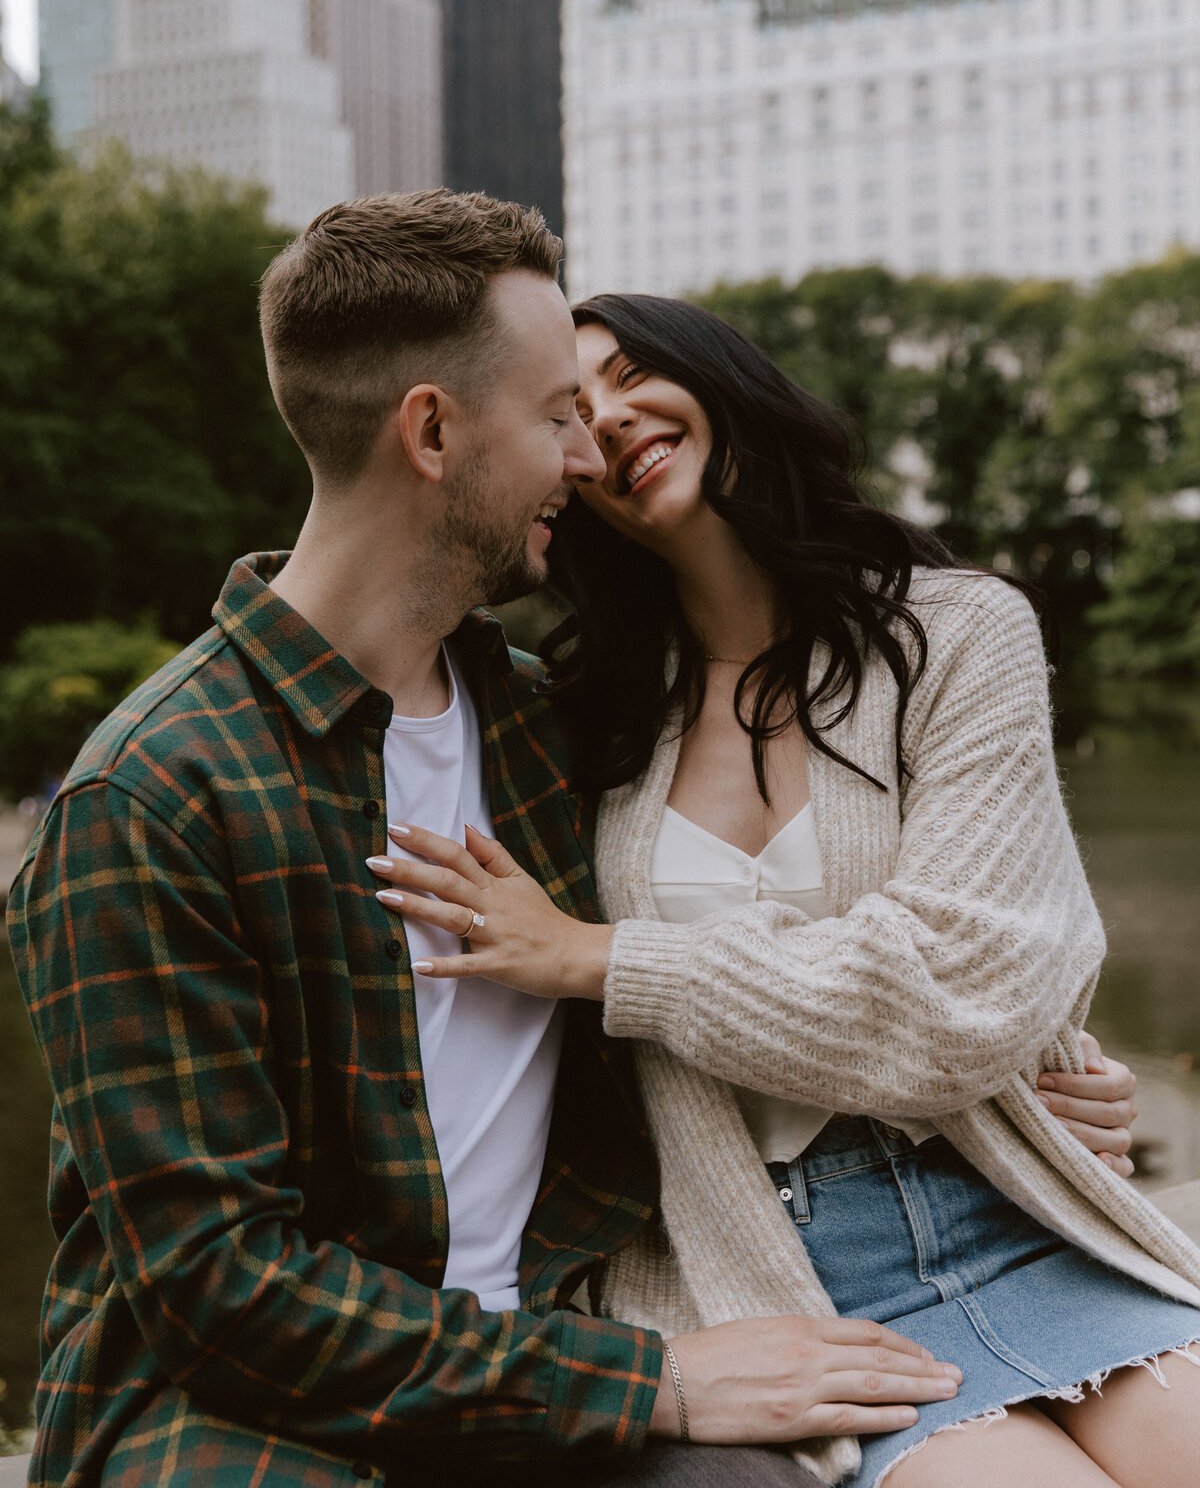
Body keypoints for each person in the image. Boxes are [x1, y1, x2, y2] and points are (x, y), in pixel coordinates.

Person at [9, 193, 1020, 1488]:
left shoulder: (559, 731)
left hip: (558, 1345)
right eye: (556, 419)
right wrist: (648, 1381)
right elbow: (219, 1292)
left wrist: (1026, 1081)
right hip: (241, 1424)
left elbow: (769, 942)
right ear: (432, 431)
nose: (590, 462)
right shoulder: (152, 800)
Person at [379, 291, 1200, 1488]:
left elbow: (963, 985)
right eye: (569, 409)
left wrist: (601, 958)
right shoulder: (580, 720)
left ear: (716, 378)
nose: (604, 421)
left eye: (623, 376)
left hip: (1018, 1213)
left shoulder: (960, 637)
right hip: (783, 1268)